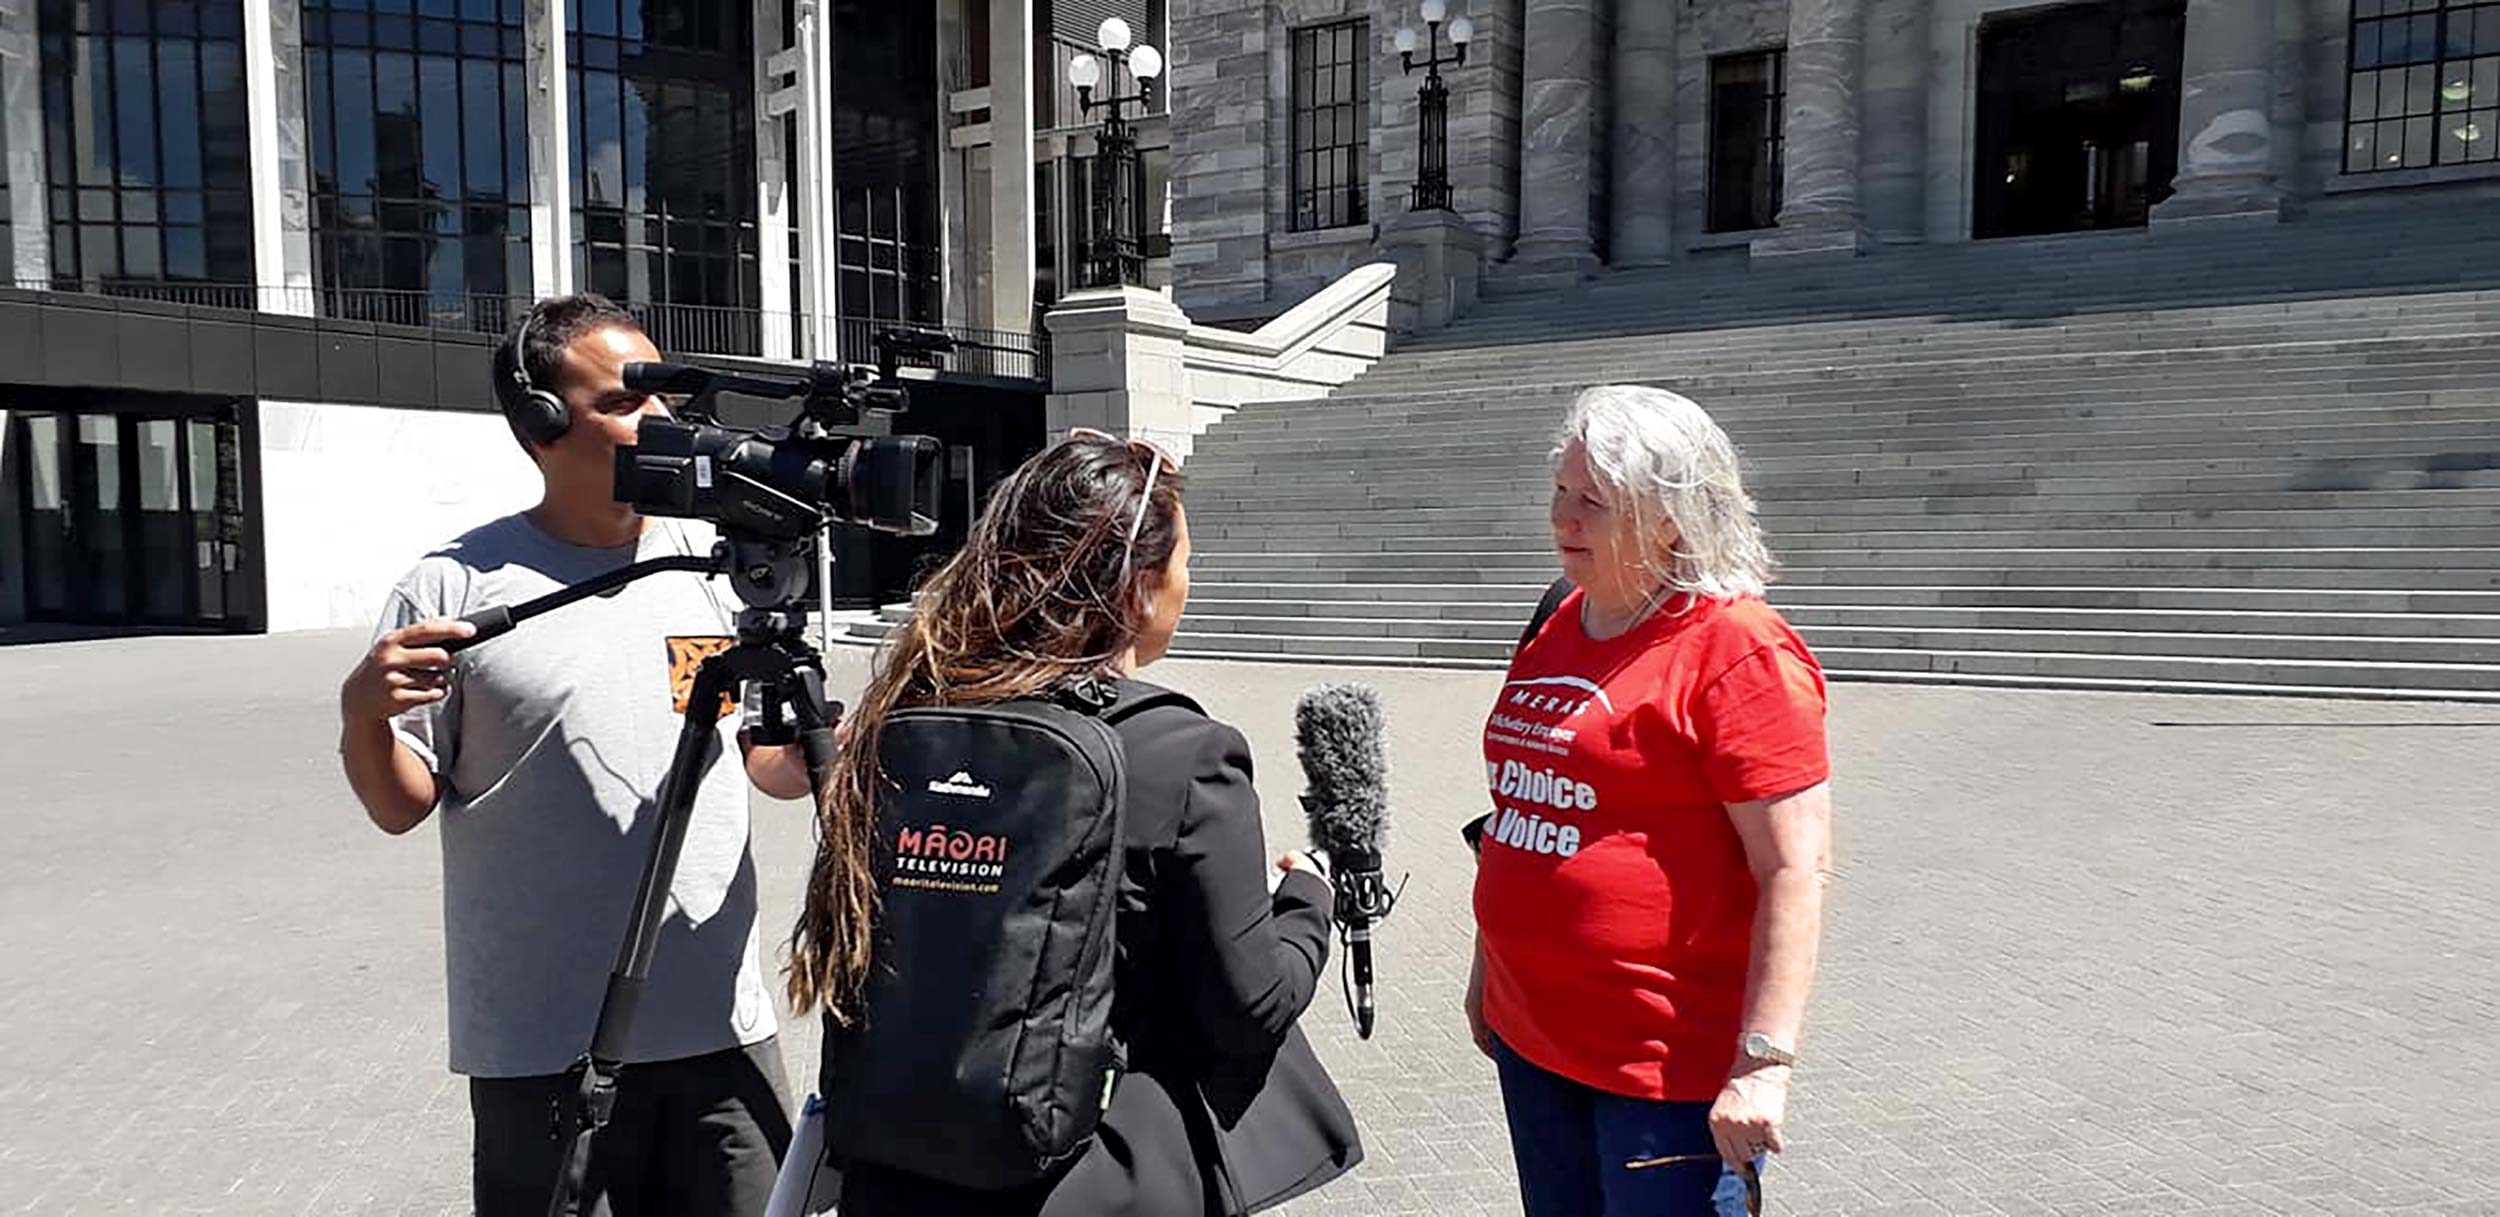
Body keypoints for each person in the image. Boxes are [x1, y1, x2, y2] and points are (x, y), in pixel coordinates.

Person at [785, 430, 1364, 1216]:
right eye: (1184, 562)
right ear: (1137, 587)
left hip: (891, 1165)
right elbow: (1250, 1009)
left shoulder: (913, 710)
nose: (1188, 583)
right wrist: (1308, 902)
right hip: (1085, 1171)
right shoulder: (1186, 752)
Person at [338, 294, 814, 1216]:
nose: (662, 424)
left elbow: (768, 765)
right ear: (542, 424)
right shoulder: (454, 585)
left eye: (667, 401)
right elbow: (402, 802)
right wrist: (361, 715)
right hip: (541, 1043)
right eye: (627, 402)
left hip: (718, 1025)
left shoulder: (719, 569)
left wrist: (842, 742)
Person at [1467, 384, 1836, 1217]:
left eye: (1593, 501)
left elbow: (1794, 866)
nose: (1563, 517)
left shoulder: (1738, 648)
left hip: (1662, 1069)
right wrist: (1488, 966)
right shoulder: (1561, 618)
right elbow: (1521, 806)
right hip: (1534, 1041)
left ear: (1669, 517)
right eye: (1560, 492)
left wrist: (1764, 1062)